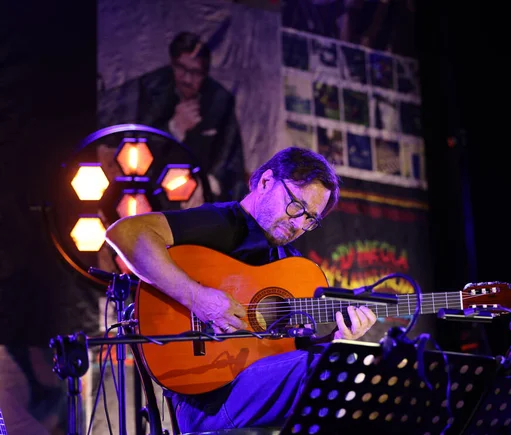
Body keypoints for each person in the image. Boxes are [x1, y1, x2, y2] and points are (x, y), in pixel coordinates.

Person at [105, 147, 377, 432]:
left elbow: (286, 359)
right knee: (329, 367)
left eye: (311, 219)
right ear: (265, 182)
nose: (299, 223)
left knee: (340, 363)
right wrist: (198, 298)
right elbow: (124, 233)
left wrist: (338, 340)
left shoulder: (292, 266)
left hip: (251, 393)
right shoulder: (222, 224)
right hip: (204, 400)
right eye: (296, 204)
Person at [137, 31, 247, 203]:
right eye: (181, 68)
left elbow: (231, 154)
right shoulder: (152, 89)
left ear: (205, 72)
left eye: (195, 72)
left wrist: (210, 182)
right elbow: (137, 143)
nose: (187, 79)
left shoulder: (220, 100)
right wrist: (175, 127)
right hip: (155, 188)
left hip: (202, 191)